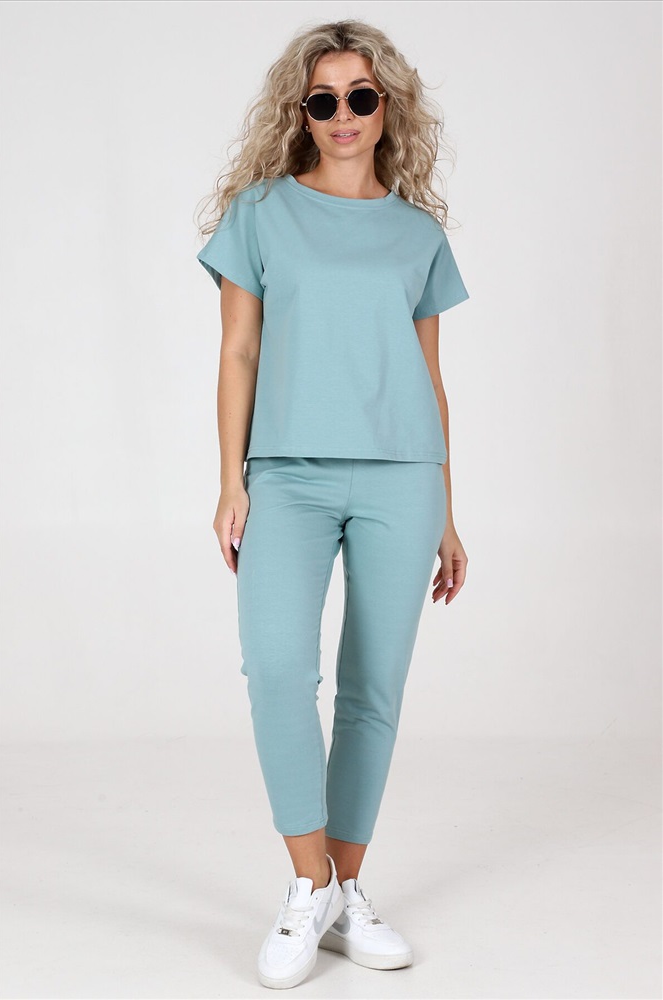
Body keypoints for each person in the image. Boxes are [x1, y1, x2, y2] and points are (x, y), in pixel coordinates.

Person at [194, 17, 470, 991]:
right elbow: (237, 351)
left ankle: (345, 891)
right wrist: (231, 479)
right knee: (276, 670)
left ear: (386, 106)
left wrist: (447, 510)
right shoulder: (260, 212)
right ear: (300, 112)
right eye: (323, 100)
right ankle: (307, 882)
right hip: (288, 474)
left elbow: (430, 378)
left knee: (372, 690)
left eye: (360, 96)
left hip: (403, 476)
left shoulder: (416, 233)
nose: (343, 114)